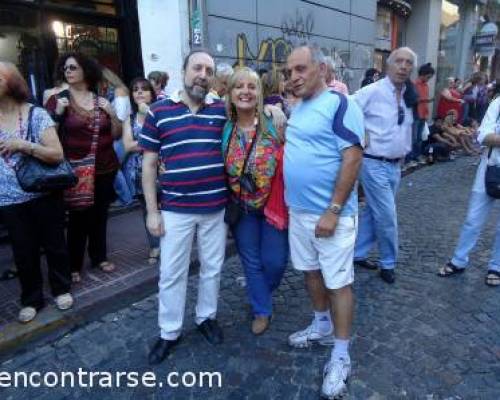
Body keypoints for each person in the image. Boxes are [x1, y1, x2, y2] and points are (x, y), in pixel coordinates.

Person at [141, 48, 285, 365]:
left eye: (208, 70)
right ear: (183, 71)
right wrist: (152, 211)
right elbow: (149, 165)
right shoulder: (158, 111)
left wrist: (271, 111)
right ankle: (169, 332)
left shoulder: (221, 111)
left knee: (212, 269)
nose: (202, 75)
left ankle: (206, 318)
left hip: (216, 208)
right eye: (197, 69)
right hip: (175, 209)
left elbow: (252, 117)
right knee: (171, 273)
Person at [285, 45, 364, 399]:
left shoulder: (340, 104)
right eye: (289, 72)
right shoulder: (298, 107)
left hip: (332, 216)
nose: (294, 77)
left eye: (301, 69)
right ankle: (320, 326)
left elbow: (352, 158)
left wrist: (333, 210)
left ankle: (341, 354)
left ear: (320, 68)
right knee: (310, 272)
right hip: (298, 213)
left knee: (338, 283)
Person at [0, 61, 73, 323]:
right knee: (23, 250)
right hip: (8, 198)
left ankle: (61, 288)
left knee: (54, 245)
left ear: (12, 83)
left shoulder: (36, 114)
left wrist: (23, 145)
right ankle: (31, 299)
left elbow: (56, 154)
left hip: (43, 192)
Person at [222, 67, 288, 335]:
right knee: (250, 260)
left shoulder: (275, 122)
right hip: (243, 209)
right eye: (239, 86)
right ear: (231, 93)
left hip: (273, 206)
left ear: (260, 92)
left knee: (275, 262)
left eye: (252, 86)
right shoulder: (224, 127)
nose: (245, 91)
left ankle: (258, 288)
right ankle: (262, 308)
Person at [46, 52, 122, 284]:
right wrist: (58, 114)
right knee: (78, 218)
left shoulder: (101, 100)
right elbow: (47, 136)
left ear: (86, 71)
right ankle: (74, 264)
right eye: (65, 68)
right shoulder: (58, 99)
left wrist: (112, 114)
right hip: (76, 170)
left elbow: (117, 133)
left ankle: (99, 257)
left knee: (100, 215)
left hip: (105, 167)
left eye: (73, 68)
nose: (67, 72)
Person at [352, 47, 417, 284]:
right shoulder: (372, 91)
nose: (403, 66)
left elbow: (406, 126)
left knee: (373, 211)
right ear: (389, 65)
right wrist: (361, 134)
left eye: (408, 63)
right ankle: (388, 263)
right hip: (372, 163)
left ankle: (357, 253)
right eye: (399, 61)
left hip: (395, 165)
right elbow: (347, 109)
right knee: (387, 216)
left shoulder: (409, 93)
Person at [438, 95, 500, 286]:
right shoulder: (498, 103)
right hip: (490, 167)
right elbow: (483, 136)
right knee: (473, 220)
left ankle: (496, 266)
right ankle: (458, 260)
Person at [122, 77, 160, 264]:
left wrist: (144, 143)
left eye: (144, 89)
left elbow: (166, 138)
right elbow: (128, 146)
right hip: (137, 173)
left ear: (152, 94)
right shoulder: (129, 119)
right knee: (148, 209)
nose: (139, 92)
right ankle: (154, 246)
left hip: (162, 170)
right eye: (135, 89)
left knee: (167, 208)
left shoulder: (159, 113)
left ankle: (168, 243)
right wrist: (153, 142)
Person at [410, 63, 435, 164]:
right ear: (423, 74)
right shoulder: (415, 84)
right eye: (428, 77)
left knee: (420, 138)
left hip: (423, 114)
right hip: (415, 115)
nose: (429, 79)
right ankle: (411, 158)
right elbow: (413, 100)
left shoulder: (426, 85)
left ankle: (417, 156)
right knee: (414, 138)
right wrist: (426, 100)